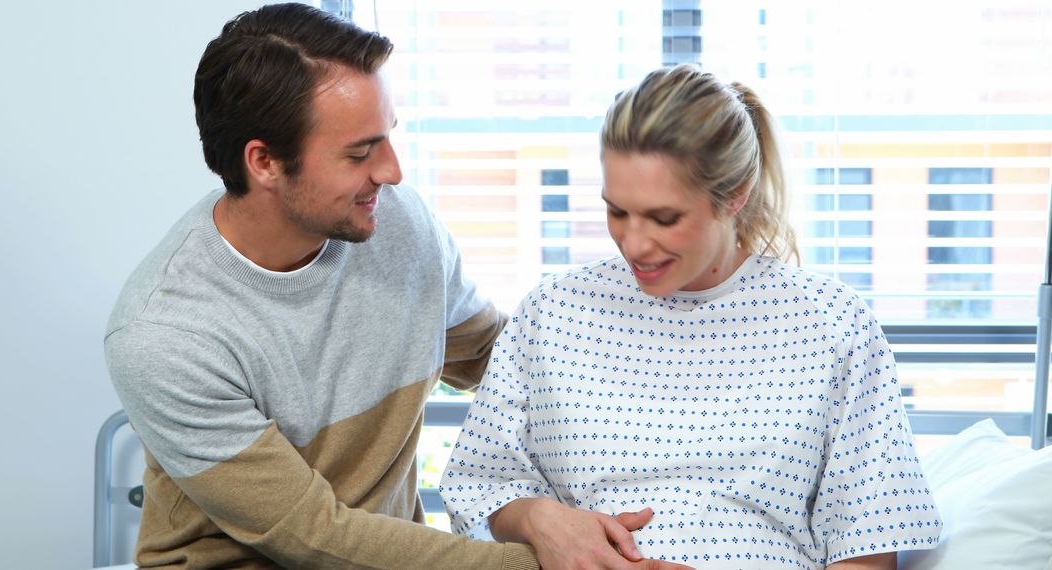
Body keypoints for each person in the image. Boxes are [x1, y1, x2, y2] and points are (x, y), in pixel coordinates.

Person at [104, 4, 694, 569]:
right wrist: (540, 561)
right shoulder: (164, 335)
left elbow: (502, 360)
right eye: (361, 152)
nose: (392, 171)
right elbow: (314, 536)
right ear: (264, 163)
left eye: (387, 136)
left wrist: (670, 383)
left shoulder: (396, 225)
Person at [440, 64, 943, 570]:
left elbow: (865, 546)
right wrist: (538, 518)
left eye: (664, 218)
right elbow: (481, 483)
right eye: (617, 211)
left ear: (735, 195)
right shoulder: (553, 312)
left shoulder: (833, 325)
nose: (633, 243)